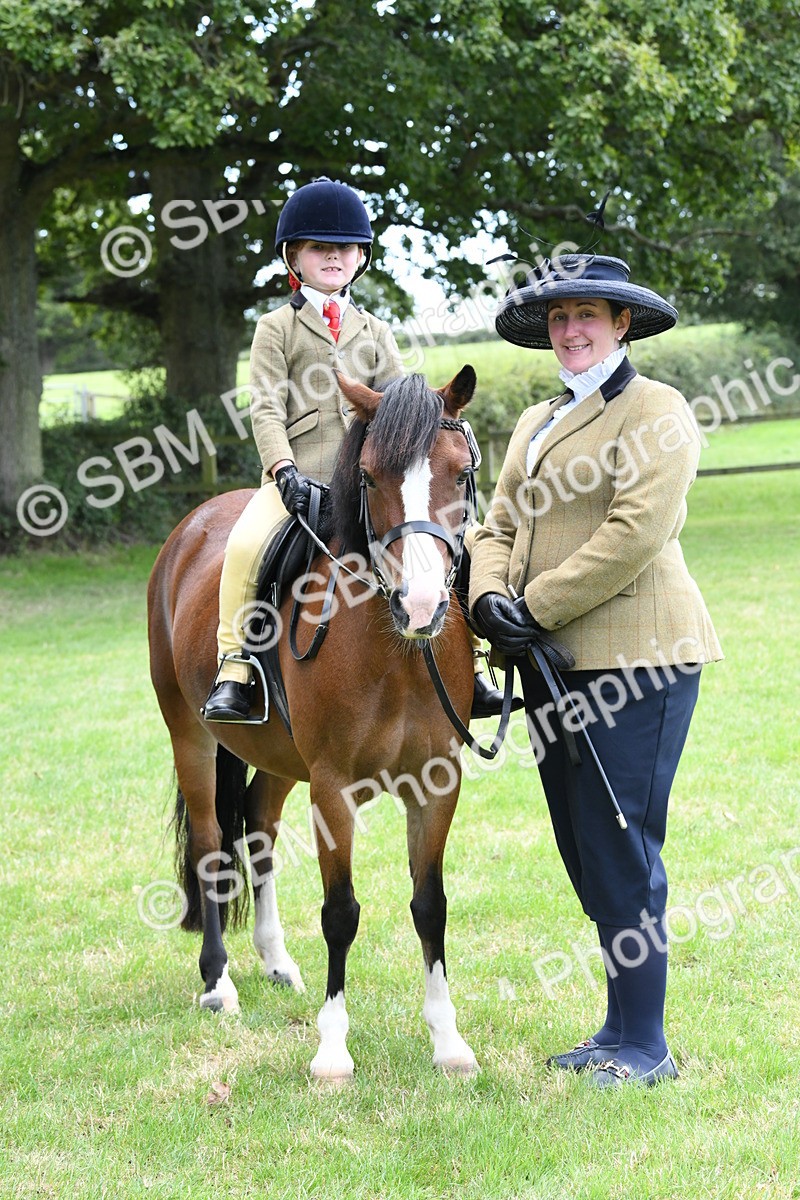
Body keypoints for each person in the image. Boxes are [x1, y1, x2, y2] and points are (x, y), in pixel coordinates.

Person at [469, 253, 723, 1087]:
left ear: (621, 325)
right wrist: (486, 597)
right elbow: (495, 524)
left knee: (622, 846)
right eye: (559, 318)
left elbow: (635, 533)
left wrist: (530, 606)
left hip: (637, 658)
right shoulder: (537, 421)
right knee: (584, 849)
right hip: (548, 666)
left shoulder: (659, 410)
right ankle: (615, 1030)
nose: (571, 329)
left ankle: (648, 1045)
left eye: (588, 315)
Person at [203, 176, 507, 722]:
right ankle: (235, 666)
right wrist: (281, 468)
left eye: (344, 248)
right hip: (298, 477)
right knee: (247, 545)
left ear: (361, 256)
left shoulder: (374, 329)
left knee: (454, 543)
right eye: (320, 248)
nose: (333, 257)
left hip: (369, 481)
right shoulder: (276, 328)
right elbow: (266, 406)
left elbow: (402, 403)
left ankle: (475, 663)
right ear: (295, 256)